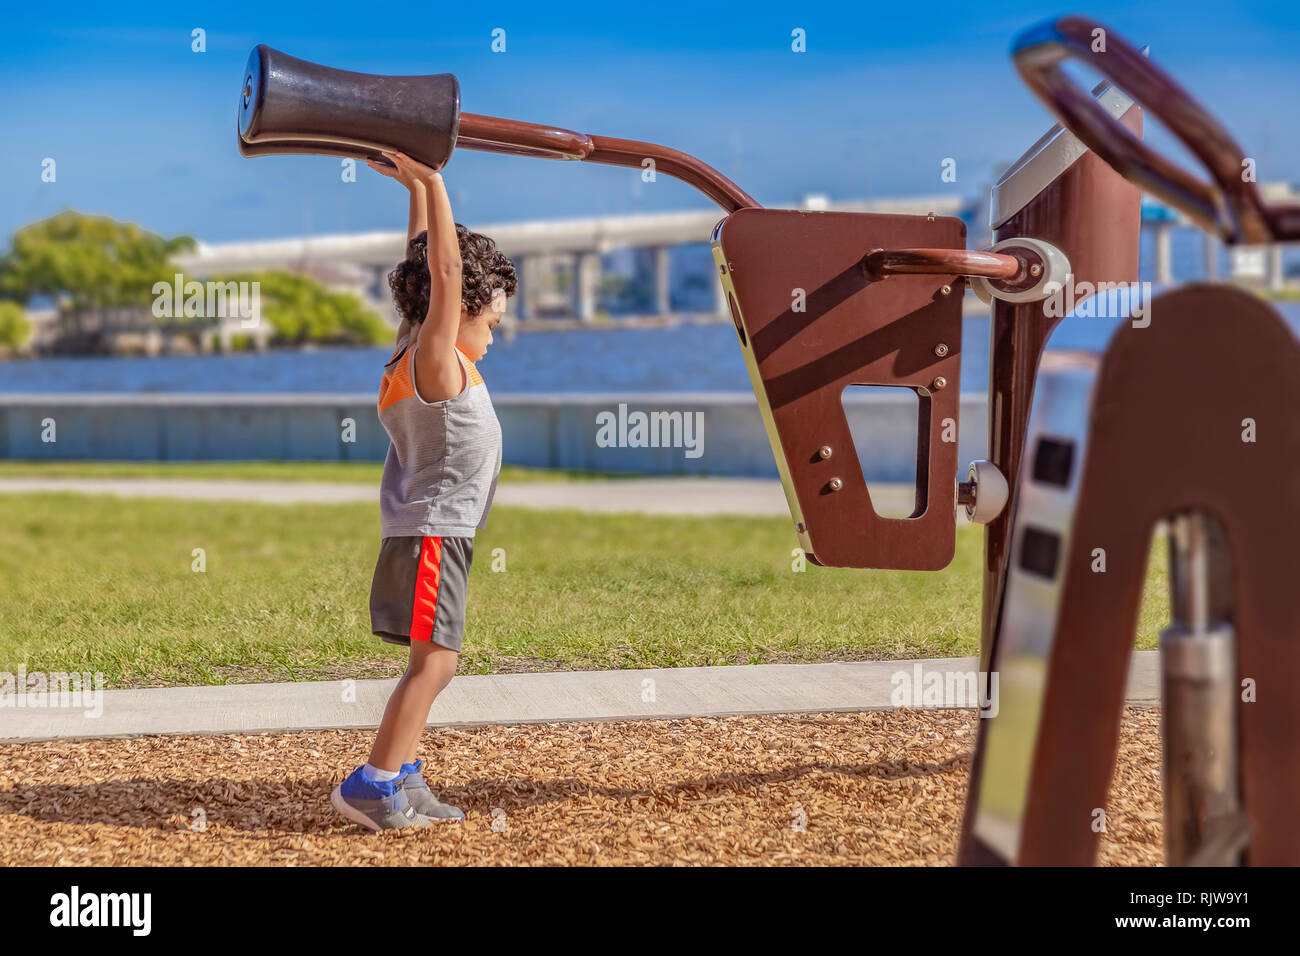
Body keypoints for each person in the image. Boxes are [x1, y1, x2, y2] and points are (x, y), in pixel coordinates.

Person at [331, 149, 516, 831]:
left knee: (431, 662)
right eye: (491, 322)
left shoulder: (410, 347)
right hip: (435, 534)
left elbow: (423, 263)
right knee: (436, 666)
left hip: (432, 532)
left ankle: (403, 775)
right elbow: (440, 271)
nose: (493, 336)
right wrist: (437, 181)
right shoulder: (438, 361)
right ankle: (374, 784)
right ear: (459, 308)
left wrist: (414, 188)